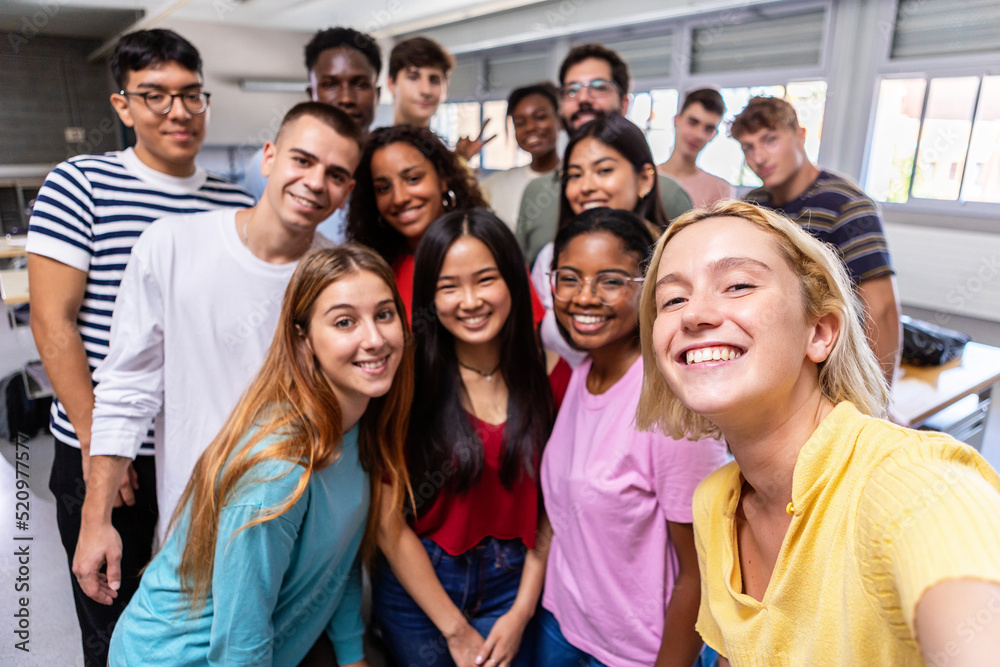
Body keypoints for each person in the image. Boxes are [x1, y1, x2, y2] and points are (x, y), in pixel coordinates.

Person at [636, 200, 1000, 666]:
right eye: (673, 299)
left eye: (739, 285)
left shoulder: (907, 482)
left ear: (820, 332)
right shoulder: (715, 502)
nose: (694, 315)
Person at [73, 102, 363, 604]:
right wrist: (96, 519)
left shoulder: (337, 284)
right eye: (303, 160)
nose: (316, 182)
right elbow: (127, 390)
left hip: (291, 540)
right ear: (270, 157)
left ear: (347, 192)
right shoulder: (172, 245)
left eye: (336, 175)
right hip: (190, 535)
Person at [25, 28, 252, 667]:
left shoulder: (232, 204)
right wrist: (107, 448)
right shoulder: (80, 183)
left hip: (204, 457)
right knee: (116, 628)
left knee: (199, 624)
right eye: (155, 96)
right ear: (122, 105)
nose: (178, 112)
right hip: (107, 456)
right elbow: (53, 324)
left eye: (190, 95)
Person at [107, 245, 414, 666]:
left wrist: (351, 655)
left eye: (384, 314)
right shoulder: (277, 473)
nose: (375, 339)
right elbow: (239, 647)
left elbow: (337, 560)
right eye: (345, 322)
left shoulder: (358, 425)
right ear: (303, 338)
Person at [373, 208, 570, 667]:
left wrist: (521, 612)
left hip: (516, 582)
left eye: (485, 279)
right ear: (428, 297)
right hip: (420, 589)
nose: (469, 300)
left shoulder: (554, 376)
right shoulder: (404, 380)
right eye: (448, 286)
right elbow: (386, 522)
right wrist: (456, 631)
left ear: (514, 283)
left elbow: (552, 509)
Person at [537, 207, 727, 667]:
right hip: (562, 624)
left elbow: (700, 573)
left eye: (610, 280)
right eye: (569, 278)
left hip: (634, 652)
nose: (584, 297)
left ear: (647, 290)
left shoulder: (668, 406)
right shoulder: (582, 372)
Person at [732, 96, 901, 388]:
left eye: (770, 139)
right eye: (748, 147)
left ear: (800, 136)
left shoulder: (847, 204)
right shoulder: (753, 205)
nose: (759, 157)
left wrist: (877, 400)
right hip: (768, 362)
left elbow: (882, 310)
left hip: (831, 368)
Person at [515, 43, 692, 266]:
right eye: (572, 90)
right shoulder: (536, 192)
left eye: (599, 87)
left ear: (624, 102)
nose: (583, 99)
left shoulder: (669, 194)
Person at [531, 114, 667, 366]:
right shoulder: (549, 258)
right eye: (574, 175)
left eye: (604, 170)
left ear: (645, 178)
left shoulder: (673, 259)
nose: (585, 187)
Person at [240, 26, 382, 243]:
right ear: (311, 94)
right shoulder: (270, 165)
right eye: (330, 84)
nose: (346, 98)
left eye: (360, 84)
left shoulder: (386, 168)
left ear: (377, 95)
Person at [345, 124, 489, 320]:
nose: (399, 198)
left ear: (442, 178)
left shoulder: (488, 250)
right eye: (384, 188)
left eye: (413, 179)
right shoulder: (371, 271)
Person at [480, 82, 561, 231]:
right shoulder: (492, 185)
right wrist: (461, 160)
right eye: (520, 122)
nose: (530, 127)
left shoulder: (578, 180)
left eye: (540, 117)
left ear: (560, 120)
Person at [657, 88, 735, 207]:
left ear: (715, 135)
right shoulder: (645, 176)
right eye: (693, 122)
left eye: (708, 129)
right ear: (676, 120)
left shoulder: (720, 190)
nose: (699, 135)